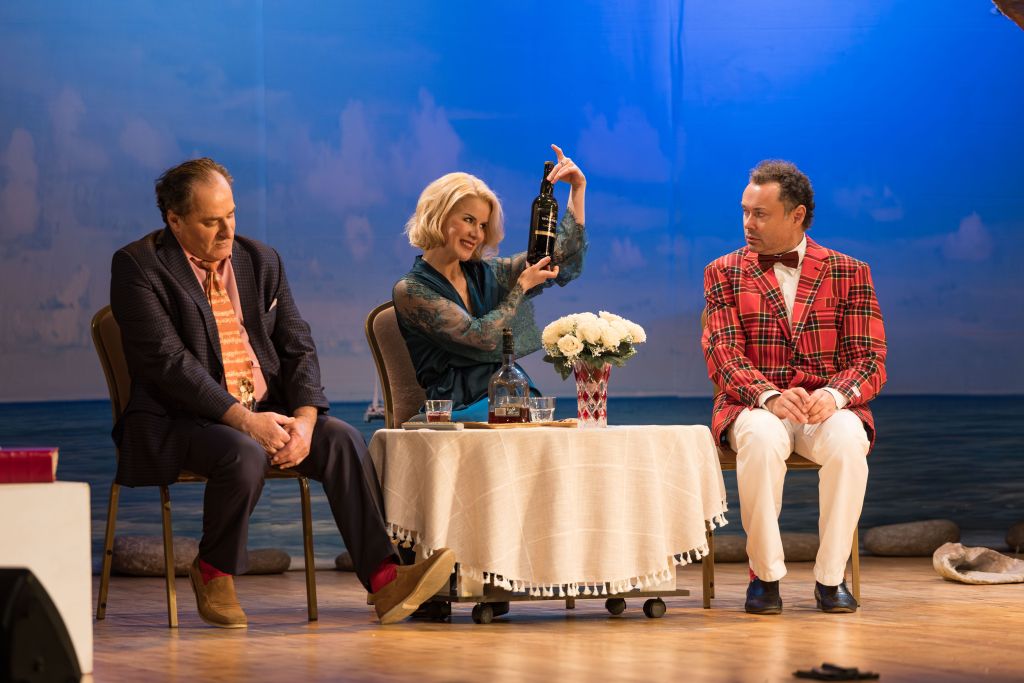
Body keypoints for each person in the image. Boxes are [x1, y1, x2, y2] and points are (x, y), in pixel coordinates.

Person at [109, 158, 455, 628]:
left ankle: (384, 578)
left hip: (266, 410)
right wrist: (245, 421)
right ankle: (213, 572)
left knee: (341, 439)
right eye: (210, 222)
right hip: (180, 419)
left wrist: (306, 421)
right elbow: (169, 365)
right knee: (242, 453)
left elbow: (297, 345)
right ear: (174, 220)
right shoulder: (138, 266)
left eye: (231, 215)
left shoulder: (260, 259)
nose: (226, 231)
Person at [701, 160, 887, 615]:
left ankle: (830, 578)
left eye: (760, 214)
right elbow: (723, 354)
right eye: (745, 212)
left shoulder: (850, 271)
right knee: (762, 439)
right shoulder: (723, 272)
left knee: (849, 440)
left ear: (797, 214)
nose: (748, 223)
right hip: (754, 404)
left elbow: (869, 359)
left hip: (824, 405)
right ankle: (764, 577)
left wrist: (834, 395)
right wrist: (768, 396)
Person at [393, 145, 587, 421]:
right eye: (469, 220)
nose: (477, 234)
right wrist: (520, 288)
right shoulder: (410, 290)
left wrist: (577, 189)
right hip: (457, 407)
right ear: (439, 216)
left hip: (509, 394)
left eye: (483, 225)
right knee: (519, 418)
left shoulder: (488, 273)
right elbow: (479, 337)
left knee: (535, 417)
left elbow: (561, 256)